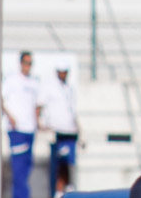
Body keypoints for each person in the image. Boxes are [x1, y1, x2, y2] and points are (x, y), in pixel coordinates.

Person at [39, 55, 79, 198]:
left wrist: (78, 128)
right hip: (57, 131)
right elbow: (40, 106)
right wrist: (42, 125)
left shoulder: (69, 88)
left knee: (69, 163)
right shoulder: (49, 87)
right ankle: (58, 191)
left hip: (70, 131)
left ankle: (67, 189)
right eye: (61, 72)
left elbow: (72, 111)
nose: (63, 75)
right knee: (59, 163)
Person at [3, 51, 40, 198]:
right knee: (18, 171)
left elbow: (36, 105)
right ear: (20, 63)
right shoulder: (12, 80)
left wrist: (38, 122)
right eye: (25, 63)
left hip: (30, 130)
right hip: (17, 130)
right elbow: (0, 98)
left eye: (30, 63)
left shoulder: (33, 83)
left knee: (27, 169)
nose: (27, 66)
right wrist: (10, 117)